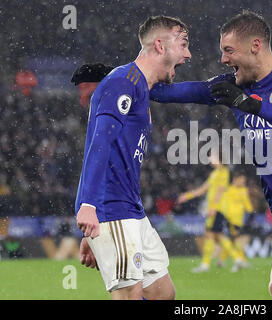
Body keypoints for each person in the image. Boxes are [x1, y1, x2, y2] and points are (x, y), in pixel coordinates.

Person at [72, 11, 272, 300]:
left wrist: (252, 105)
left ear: (255, 46)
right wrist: (116, 75)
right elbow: (162, 90)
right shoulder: (231, 86)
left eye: (229, 51)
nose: (223, 59)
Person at [73, 15, 191, 300]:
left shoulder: (138, 85)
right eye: (184, 44)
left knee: (163, 293)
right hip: (110, 206)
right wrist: (89, 206)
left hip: (129, 208)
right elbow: (100, 143)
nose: (188, 54)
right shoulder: (123, 82)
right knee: (129, 294)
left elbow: (107, 151)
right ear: (160, 46)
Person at [176, 153, 241, 273]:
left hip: (218, 209)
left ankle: (206, 264)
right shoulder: (215, 173)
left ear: (220, 158)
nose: (210, 159)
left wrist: (213, 208)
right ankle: (236, 259)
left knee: (211, 235)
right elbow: (203, 189)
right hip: (215, 209)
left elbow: (220, 191)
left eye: (213, 157)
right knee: (216, 236)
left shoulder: (223, 172)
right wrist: (187, 196)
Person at [217, 171, 253, 272]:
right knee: (234, 239)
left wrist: (250, 213)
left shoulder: (243, 190)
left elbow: (247, 203)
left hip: (238, 220)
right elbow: (224, 205)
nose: (243, 182)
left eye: (244, 181)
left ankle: (231, 260)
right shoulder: (228, 190)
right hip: (229, 219)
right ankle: (239, 260)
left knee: (231, 240)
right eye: (242, 180)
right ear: (236, 179)